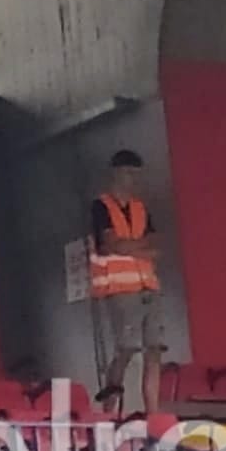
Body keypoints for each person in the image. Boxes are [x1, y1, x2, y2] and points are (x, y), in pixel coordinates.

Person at [88, 148, 164, 415]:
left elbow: (155, 246)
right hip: (119, 288)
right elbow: (109, 244)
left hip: (148, 285)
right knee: (127, 348)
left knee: (154, 349)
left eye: (137, 174)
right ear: (116, 173)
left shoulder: (140, 208)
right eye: (129, 173)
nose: (133, 179)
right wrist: (136, 247)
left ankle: (153, 412)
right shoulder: (101, 206)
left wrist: (129, 247)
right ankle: (110, 409)